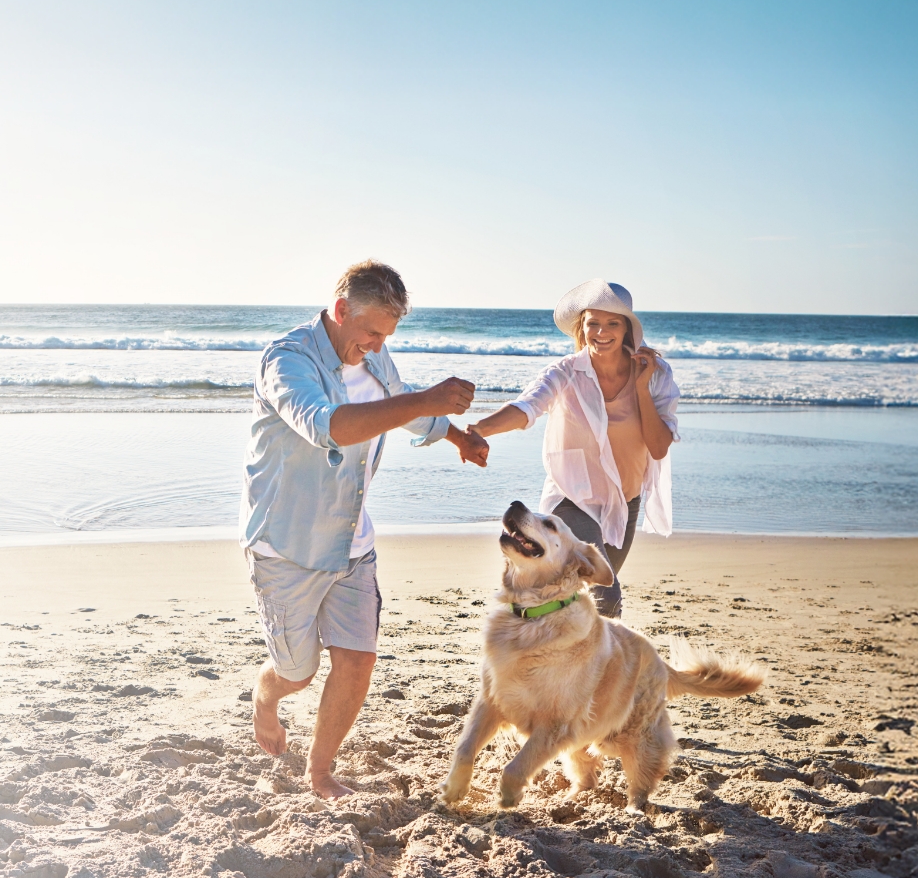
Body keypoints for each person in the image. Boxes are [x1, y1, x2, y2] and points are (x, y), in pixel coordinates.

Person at [243, 259, 490, 799]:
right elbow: (328, 427)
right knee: (298, 673)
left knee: (357, 662)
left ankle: (320, 770)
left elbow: (401, 409)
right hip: (288, 546)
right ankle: (266, 693)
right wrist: (425, 399)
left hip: (352, 540)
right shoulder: (287, 362)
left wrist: (455, 436)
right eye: (372, 332)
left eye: (388, 335)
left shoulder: (375, 358)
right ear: (339, 311)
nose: (378, 345)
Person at [466, 280, 679, 617]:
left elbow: (658, 447)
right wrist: (480, 429)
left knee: (584, 601)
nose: (601, 332)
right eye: (593, 322)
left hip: (625, 502)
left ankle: (560, 656)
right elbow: (527, 407)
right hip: (573, 499)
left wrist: (640, 387)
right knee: (604, 597)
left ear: (627, 329)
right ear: (582, 326)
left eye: (613, 323)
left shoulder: (656, 376)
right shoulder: (565, 373)